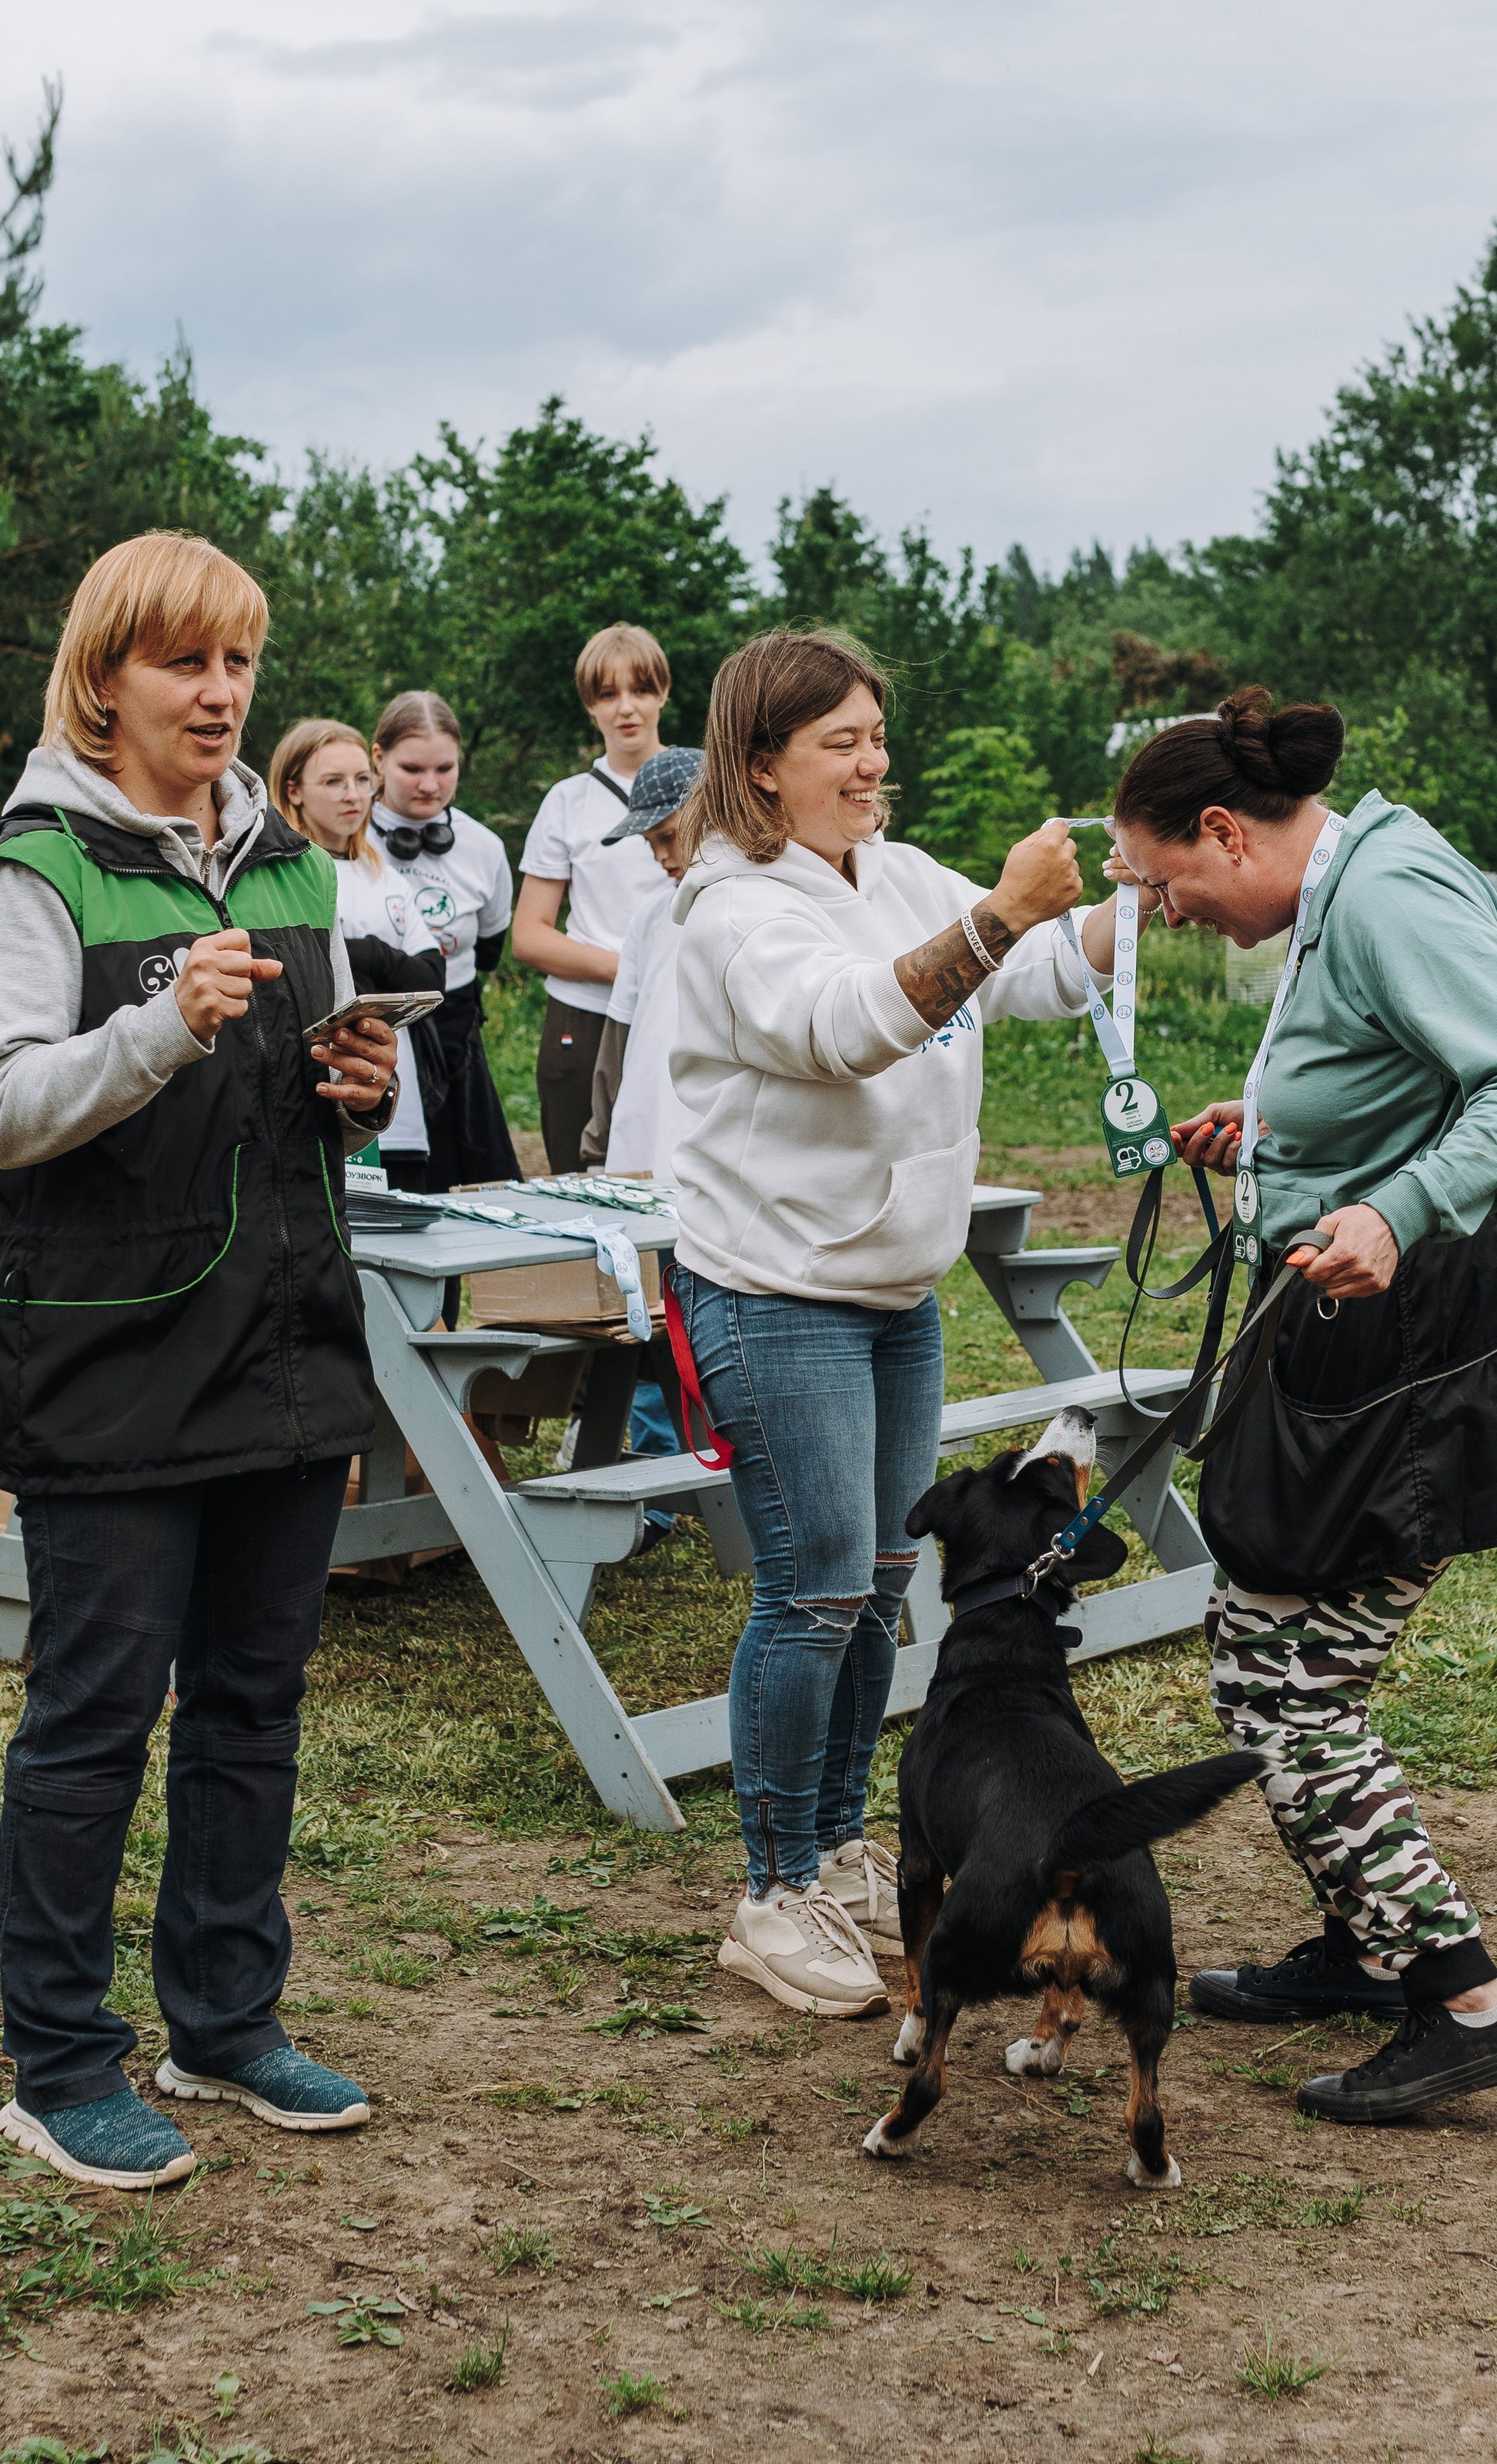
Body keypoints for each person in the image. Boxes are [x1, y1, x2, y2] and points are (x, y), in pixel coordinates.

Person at [0, 531, 401, 2189]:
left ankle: (224, 2020)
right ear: (105, 681)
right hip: (110, 1360)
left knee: (250, 1708)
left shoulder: (289, 862)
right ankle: (59, 2063)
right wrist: (160, 1027)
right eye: (183, 665)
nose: (219, 695)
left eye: (238, 665)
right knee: (91, 1722)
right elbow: (1, 1110)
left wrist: (351, 1079)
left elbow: (290, 1092)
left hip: (282, 1348)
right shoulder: (39, 872)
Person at [1110, 687, 1497, 2125]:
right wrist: (1282, 1137)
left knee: (1285, 1674)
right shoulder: (1343, 883)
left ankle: (1462, 1996)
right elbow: (1405, 1074)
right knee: (1273, 1636)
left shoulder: (1386, 891)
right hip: (1369, 1323)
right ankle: (1369, 1946)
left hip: (1419, 1332)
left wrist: (1390, 1206)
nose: (1168, 910)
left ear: (1222, 829)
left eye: (1164, 882)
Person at [663, 628, 1129, 2019]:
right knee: (808, 1592)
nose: (874, 762)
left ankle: (834, 1841)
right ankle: (770, 1887)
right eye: (840, 743)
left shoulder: (900, 873)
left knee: (873, 1583)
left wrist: (1141, 888)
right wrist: (1000, 913)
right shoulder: (733, 907)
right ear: (761, 765)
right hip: (773, 1289)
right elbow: (848, 1024)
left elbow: (1038, 972)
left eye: (876, 733)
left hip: (888, 1290)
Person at [513, 623, 672, 1175]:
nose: (626, 709)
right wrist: (627, 971)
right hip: (583, 1022)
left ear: (663, 695)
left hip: (678, 1012)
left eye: (641, 690)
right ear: (590, 705)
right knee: (584, 1186)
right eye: (608, 695)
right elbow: (530, 934)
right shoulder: (567, 802)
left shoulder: (707, 785)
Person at [268, 716, 446, 1193]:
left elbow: (432, 975)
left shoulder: (384, 875)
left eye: (363, 780)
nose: (353, 794)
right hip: (316, 1103)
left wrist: (359, 952)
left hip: (394, 1105)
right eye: (333, 782)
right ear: (294, 790)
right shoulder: (279, 877)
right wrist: (383, 964)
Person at [369, 691, 520, 1188]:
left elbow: (491, 950)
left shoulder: (484, 848)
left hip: (456, 1034)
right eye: (412, 768)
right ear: (378, 759)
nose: (430, 786)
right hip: (376, 1033)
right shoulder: (345, 843)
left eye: (445, 769)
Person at [581, 743, 704, 1184]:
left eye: (667, 837)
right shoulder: (651, 918)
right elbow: (618, 1038)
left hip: (714, 1148)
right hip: (643, 1140)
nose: (660, 857)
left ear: (710, 810)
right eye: (650, 843)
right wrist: (598, 1144)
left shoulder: (767, 902)